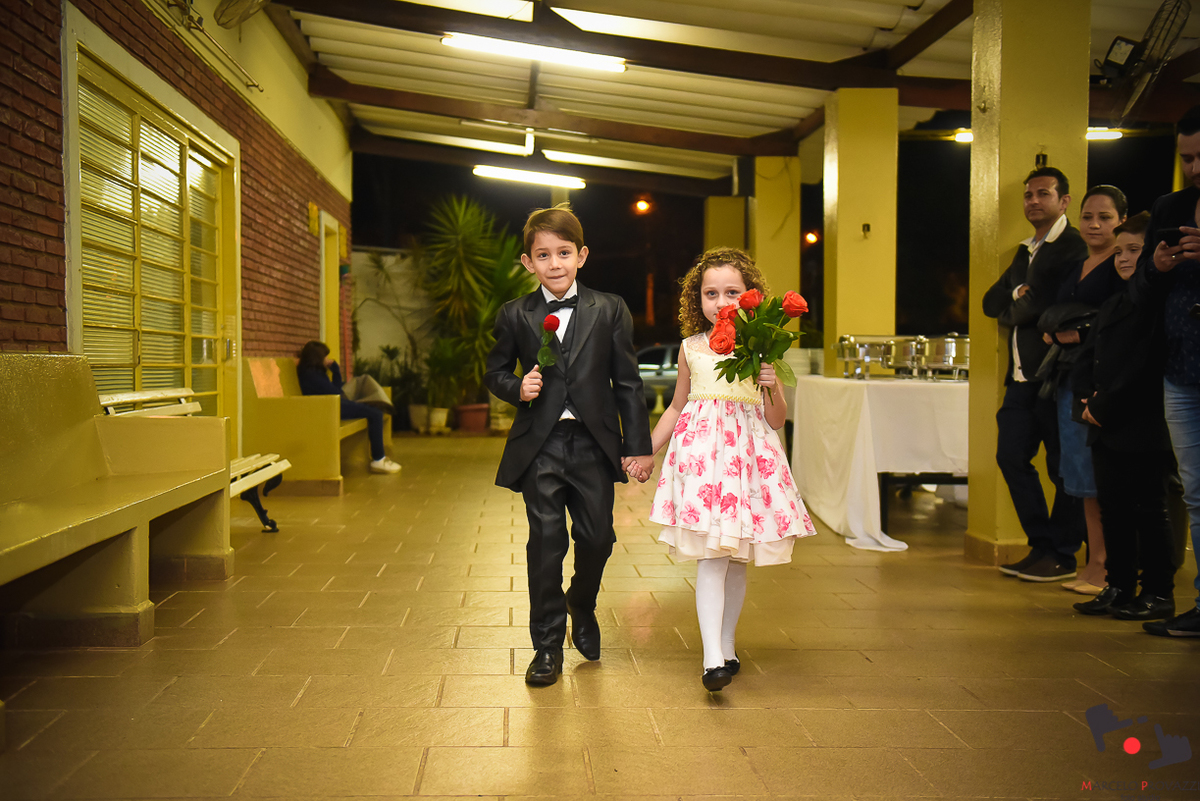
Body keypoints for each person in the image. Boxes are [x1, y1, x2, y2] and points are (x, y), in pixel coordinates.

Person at [484, 204, 654, 686]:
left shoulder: (610, 308)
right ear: (528, 262)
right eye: (543, 255)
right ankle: (546, 647)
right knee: (546, 543)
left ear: (581, 255)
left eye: (563, 253)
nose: (554, 263)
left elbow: (628, 382)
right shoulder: (515, 314)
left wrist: (638, 445)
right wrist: (517, 387)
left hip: (594, 444)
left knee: (598, 538)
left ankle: (581, 601)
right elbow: (495, 371)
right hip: (540, 444)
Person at [633, 247, 817, 691]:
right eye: (710, 293)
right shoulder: (690, 349)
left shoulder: (762, 347)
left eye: (731, 292)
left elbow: (776, 419)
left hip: (747, 463)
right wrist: (645, 452)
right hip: (703, 463)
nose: (720, 302)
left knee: (736, 562)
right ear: (697, 299)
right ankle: (711, 658)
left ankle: (727, 645)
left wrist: (772, 384)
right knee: (713, 557)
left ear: (750, 295)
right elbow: (676, 406)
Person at [1070, 212, 1178, 621]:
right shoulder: (1116, 300)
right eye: (1119, 252)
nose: (1124, 258)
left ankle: (1157, 591)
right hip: (1104, 421)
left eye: (1134, 249)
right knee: (1113, 507)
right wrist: (1085, 398)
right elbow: (1089, 356)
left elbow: (1144, 365)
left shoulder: (1159, 302)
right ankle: (1118, 585)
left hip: (1141, 420)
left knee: (1149, 508)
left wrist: (1102, 405)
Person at [982, 167, 1088, 582]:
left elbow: (1043, 309)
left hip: (1054, 376)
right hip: (1021, 377)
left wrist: (1020, 307)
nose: (1033, 201)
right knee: (1010, 456)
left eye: (1043, 194)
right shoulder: (1025, 250)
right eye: (1028, 195)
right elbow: (991, 303)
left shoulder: (1072, 247)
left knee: (1062, 468)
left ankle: (1063, 553)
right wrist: (1016, 294)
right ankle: (1041, 544)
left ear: (1063, 202)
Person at [1037, 185, 1128, 594]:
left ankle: (1107, 564)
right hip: (1068, 376)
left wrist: (1076, 333)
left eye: (1104, 218)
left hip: (1099, 379)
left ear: (1121, 220)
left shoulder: (1120, 265)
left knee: (1098, 475)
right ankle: (1094, 561)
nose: (1094, 225)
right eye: (1088, 217)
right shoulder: (1077, 265)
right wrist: (1058, 332)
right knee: (1078, 474)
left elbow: (1117, 323)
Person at [1135, 105, 1200, 637]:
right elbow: (1141, 289)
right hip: (1179, 367)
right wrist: (1155, 270)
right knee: (1195, 493)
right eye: (1187, 158)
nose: (1194, 168)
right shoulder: (1171, 207)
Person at [296, 341, 400, 475]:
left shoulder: (313, 372)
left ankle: (379, 458)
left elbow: (335, 391)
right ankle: (378, 459)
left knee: (374, 410)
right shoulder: (312, 376)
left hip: (332, 406)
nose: (327, 360)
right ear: (317, 358)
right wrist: (336, 371)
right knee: (375, 414)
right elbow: (336, 392)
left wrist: (335, 372)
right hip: (328, 409)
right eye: (325, 357)